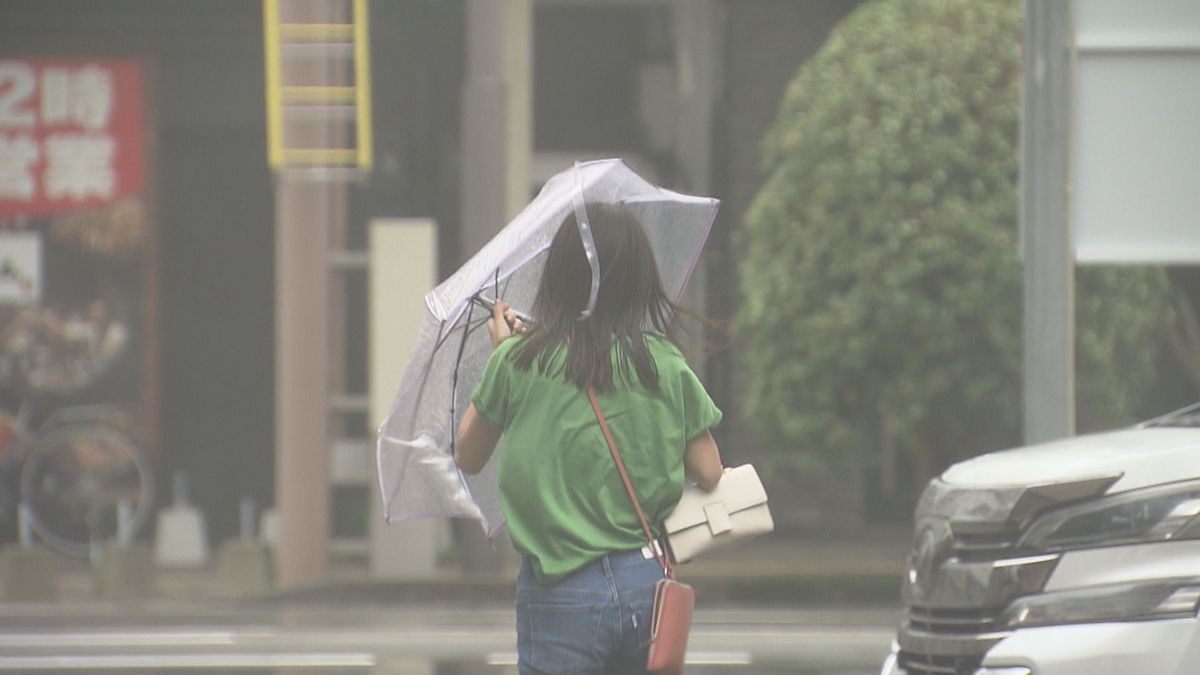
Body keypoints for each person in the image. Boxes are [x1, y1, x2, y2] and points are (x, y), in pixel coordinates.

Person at [455, 202, 724, 674]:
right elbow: (710, 471)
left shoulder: (519, 361)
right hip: (646, 584)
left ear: (557, 277)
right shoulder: (663, 363)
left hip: (561, 589)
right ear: (639, 280)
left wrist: (505, 354)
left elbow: (469, 453)